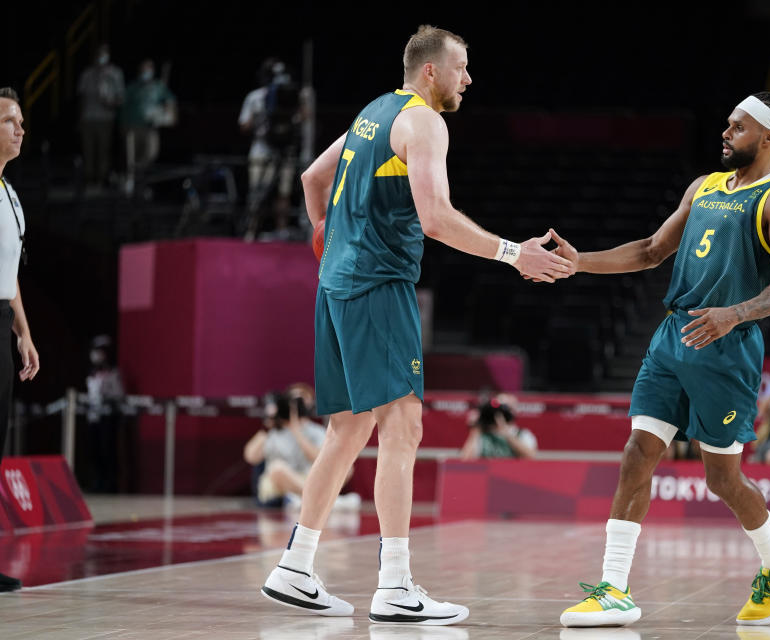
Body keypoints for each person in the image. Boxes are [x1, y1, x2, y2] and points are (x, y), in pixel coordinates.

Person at [259, 25, 572, 626]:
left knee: (348, 430)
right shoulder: (426, 122)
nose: (468, 79)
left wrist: (328, 237)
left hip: (335, 287)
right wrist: (514, 254)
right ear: (431, 71)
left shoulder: (371, 113)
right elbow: (435, 218)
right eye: (461, 68)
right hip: (377, 285)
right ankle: (395, 584)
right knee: (403, 425)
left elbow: (311, 181)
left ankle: (295, 566)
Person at [552, 91, 770, 627]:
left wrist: (733, 314)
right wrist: (580, 263)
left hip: (727, 348)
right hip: (673, 335)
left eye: (737, 127)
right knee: (636, 453)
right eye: (725, 125)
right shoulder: (704, 186)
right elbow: (651, 250)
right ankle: (614, 588)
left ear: (768, 139)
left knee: (721, 478)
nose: (725, 133)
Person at [0, 87, 40, 593]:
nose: (20, 129)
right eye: (10, 120)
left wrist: (23, 332)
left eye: (21, 121)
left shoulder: (10, 193)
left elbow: (10, 273)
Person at [243, 390, 358, 509]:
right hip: (280, 482)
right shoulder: (273, 432)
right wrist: (268, 425)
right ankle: (327, 502)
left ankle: (305, 501)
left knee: (346, 467)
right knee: (277, 468)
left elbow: (322, 460)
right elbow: (251, 457)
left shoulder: (315, 431)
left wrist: (297, 432)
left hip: (308, 478)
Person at [239, 59, 309, 241]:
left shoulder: (293, 95)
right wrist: (263, 116)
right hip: (262, 148)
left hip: (286, 149)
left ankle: (282, 231)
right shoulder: (255, 97)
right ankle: (251, 232)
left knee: (283, 192)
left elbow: (305, 117)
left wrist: (297, 107)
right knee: (258, 191)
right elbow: (243, 125)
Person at [120, 59, 177, 197]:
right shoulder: (133, 87)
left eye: (149, 69)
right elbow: (122, 105)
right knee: (131, 157)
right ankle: (130, 185)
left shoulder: (158, 87)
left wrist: (168, 114)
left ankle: (140, 180)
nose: (146, 72)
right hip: (132, 127)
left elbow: (170, 101)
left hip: (150, 129)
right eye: (144, 70)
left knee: (150, 154)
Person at [77, 43, 125, 190]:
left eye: (103, 54)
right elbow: (81, 97)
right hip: (88, 118)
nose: (101, 58)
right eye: (98, 55)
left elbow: (120, 98)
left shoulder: (115, 74)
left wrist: (110, 103)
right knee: (88, 150)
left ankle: (101, 179)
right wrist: (79, 118)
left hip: (105, 119)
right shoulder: (87, 74)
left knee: (103, 150)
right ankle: (90, 179)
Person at [84, 334, 125, 492]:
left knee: (108, 452)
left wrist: (107, 400)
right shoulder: (91, 374)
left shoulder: (113, 373)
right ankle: (97, 482)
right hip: (93, 418)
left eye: (99, 351)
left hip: (107, 419)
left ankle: (110, 485)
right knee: (95, 453)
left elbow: (119, 395)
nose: (96, 354)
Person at [460, 392, 537, 459]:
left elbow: (530, 456)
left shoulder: (522, 434)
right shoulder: (482, 436)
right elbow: (465, 461)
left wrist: (506, 433)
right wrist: (475, 429)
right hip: (487, 474)